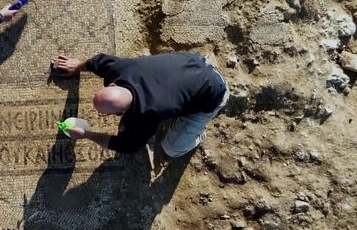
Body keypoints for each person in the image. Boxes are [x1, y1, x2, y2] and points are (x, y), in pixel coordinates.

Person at [51, 52, 228, 157]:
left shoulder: (146, 114)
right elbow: (98, 61)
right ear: (113, 84)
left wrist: (86, 134)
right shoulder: (121, 69)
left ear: (123, 112)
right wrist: (77, 66)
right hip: (193, 61)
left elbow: (127, 146)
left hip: (214, 91)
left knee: (171, 149)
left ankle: (196, 132)